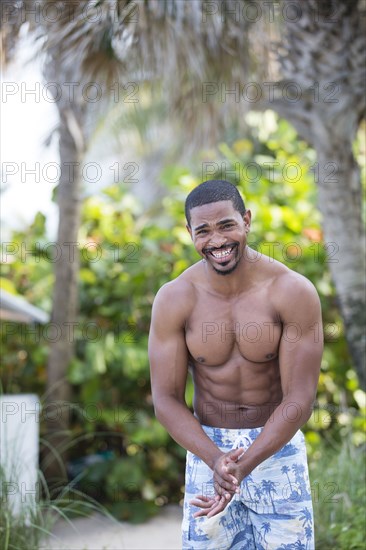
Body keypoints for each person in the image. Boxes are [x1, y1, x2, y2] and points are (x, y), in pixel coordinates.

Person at [148, 180, 323, 550]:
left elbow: (300, 397)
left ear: (246, 221)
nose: (217, 241)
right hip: (207, 449)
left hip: (278, 449)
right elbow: (165, 399)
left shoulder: (291, 291)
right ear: (189, 233)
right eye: (203, 231)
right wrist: (217, 461)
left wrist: (242, 465)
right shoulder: (175, 299)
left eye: (227, 225)